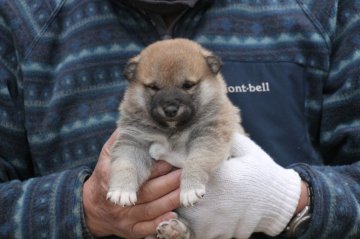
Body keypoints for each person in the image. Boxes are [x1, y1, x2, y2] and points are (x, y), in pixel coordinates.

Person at [0, 0, 359, 238]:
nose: (170, 104)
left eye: (188, 86)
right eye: (153, 88)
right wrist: (81, 208)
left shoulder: (326, 8)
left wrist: (293, 201)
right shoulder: (24, 16)